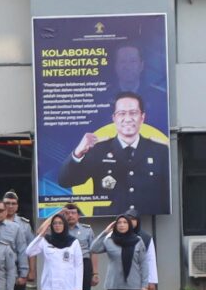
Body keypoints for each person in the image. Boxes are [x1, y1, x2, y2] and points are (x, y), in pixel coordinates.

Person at [60, 83, 170, 219]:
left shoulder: (160, 151)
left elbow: (167, 196)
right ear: (114, 118)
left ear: (142, 117)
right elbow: (65, 181)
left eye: (133, 113)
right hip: (108, 225)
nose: (128, 118)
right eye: (121, 113)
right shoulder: (99, 150)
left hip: (148, 222)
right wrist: (78, 153)